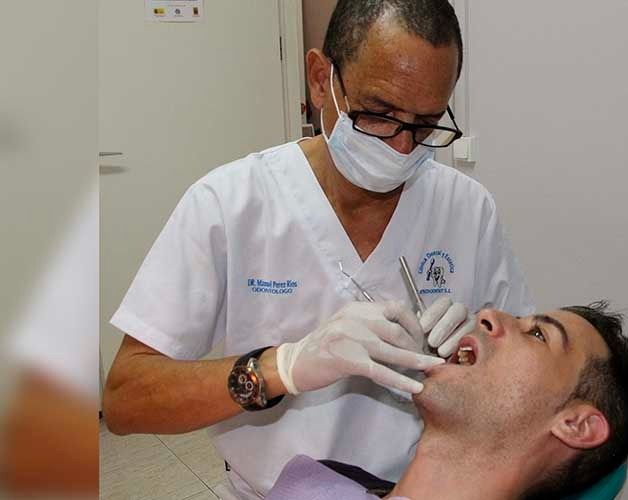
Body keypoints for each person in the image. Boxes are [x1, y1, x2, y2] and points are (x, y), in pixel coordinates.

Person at [102, 0, 534, 498]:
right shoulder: (229, 203)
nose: (401, 148)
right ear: (319, 79)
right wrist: (281, 367)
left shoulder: (468, 210)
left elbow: (526, 390)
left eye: (426, 124)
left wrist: (477, 358)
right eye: (379, 114)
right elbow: (125, 400)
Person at [263, 302, 628, 500]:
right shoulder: (318, 480)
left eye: (538, 335)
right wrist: (275, 371)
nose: (487, 315)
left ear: (576, 425)